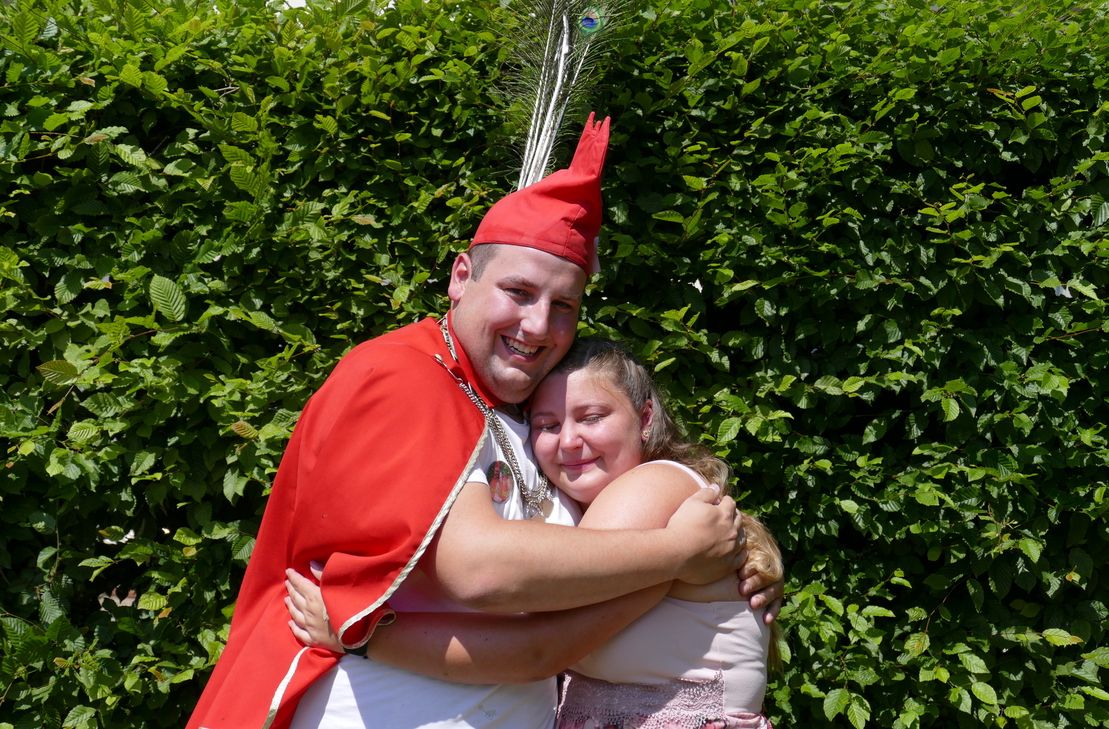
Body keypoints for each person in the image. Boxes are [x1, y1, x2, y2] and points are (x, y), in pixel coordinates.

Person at [186, 114, 782, 729]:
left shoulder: (514, 409)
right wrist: (677, 555)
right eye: (519, 292)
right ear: (461, 277)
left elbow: (586, 562)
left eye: (563, 307)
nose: (537, 326)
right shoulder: (405, 374)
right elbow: (481, 571)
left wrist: (744, 551)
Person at [286, 338, 784, 728]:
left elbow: (536, 645)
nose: (569, 441)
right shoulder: (606, 509)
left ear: (646, 417)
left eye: (592, 417)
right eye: (547, 425)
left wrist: (362, 635)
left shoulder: (650, 488)